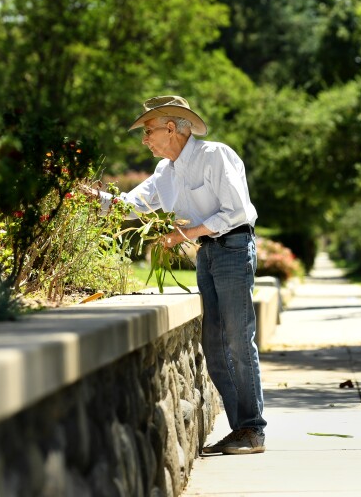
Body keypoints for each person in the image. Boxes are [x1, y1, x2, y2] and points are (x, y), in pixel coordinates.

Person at [94, 95, 266, 455]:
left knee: (238, 338)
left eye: (148, 130)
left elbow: (235, 214)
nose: (144, 139)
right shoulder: (164, 173)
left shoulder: (215, 156)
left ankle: (253, 430)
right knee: (215, 347)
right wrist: (88, 196)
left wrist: (181, 235)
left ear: (171, 128)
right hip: (208, 254)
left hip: (234, 248)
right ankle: (242, 430)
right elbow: (131, 205)